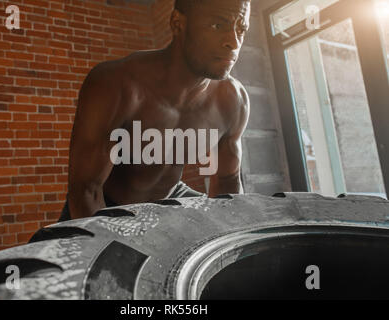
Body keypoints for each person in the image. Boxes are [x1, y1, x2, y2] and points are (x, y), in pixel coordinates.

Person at [59, 0, 251, 221]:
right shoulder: (116, 85)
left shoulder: (232, 100)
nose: (233, 42)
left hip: (169, 198)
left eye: (241, 28)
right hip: (105, 207)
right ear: (178, 23)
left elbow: (227, 185)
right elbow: (86, 191)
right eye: (218, 25)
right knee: (39, 253)